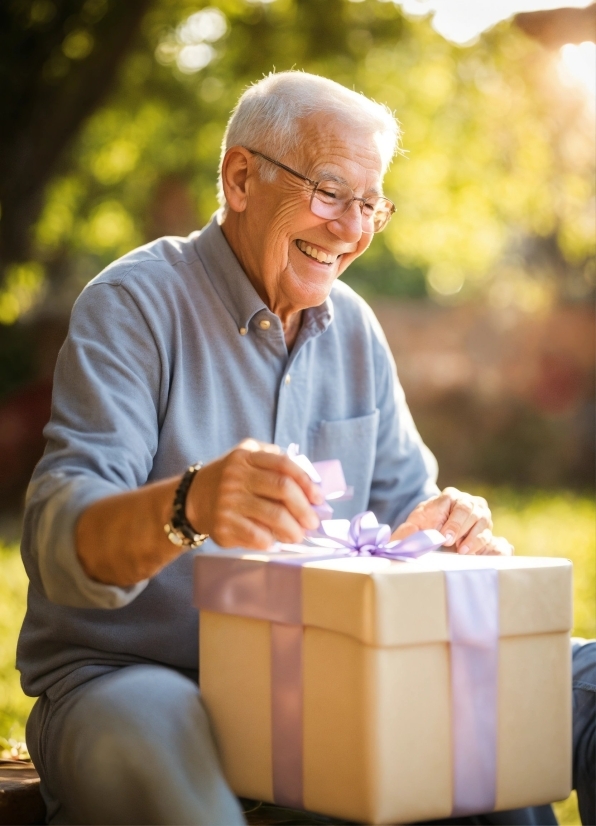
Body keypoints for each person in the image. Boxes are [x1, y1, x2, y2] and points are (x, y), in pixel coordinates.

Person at [18, 72, 594, 826]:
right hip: (140, 675)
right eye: (329, 191)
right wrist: (189, 504)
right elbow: (59, 534)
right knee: (161, 747)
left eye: (369, 205)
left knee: (552, 707)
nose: (351, 229)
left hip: (328, 670)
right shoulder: (134, 305)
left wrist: (443, 537)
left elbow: (402, 521)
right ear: (241, 178)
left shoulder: (353, 329)